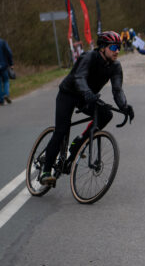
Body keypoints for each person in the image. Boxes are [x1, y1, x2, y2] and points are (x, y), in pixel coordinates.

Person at [40, 31, 134, 186]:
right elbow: (79, 77)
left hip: (87, 96)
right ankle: (46, 171)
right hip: (68, 94)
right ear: (102, 47)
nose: (117, 51)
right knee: (62, 130)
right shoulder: (89, 57)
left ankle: (79, 142)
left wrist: (124, 106)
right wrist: (87, 92)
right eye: (113, 47)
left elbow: (117, 90)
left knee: (106, 115)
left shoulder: (115, 66)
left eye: (119, 47)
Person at [0, 36, 13, 106]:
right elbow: (9, 52)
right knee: (6, 80)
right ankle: (6, 94)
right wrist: (11, 63)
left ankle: (1, 100)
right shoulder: (3, 42)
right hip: (3, 65)